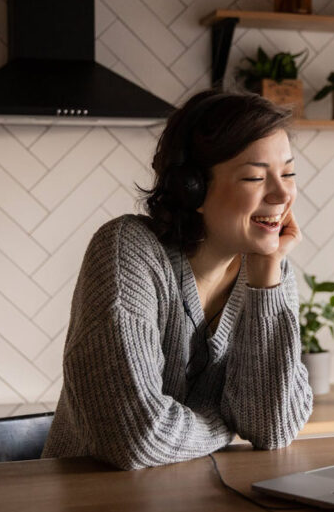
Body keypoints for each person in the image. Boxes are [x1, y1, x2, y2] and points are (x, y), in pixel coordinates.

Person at [42, 90, 313, 470]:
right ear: (192, 188)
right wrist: (224, 424)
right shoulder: (128, 250)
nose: (282, 194)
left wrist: (267, 279)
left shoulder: (271, 272)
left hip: (196, 493)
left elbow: (272, 429)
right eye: (255, 177)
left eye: (288, 173)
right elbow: (136, 437)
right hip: (91, 495)